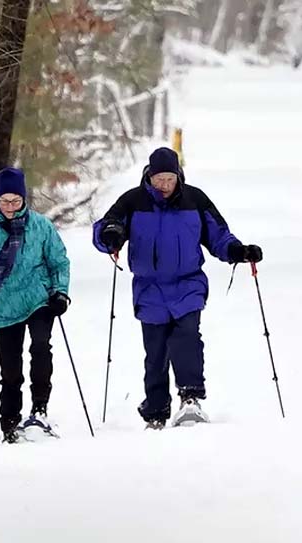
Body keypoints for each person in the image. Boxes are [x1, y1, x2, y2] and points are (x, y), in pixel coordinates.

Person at [93, 147, 263, 428]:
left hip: (188, 282)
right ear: (149, 176)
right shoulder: (133, 201)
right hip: (149, 288)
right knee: (156, 350)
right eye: (159, 179)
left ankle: (190, 398)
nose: (164, 185)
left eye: (169, 179)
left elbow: (219, 235)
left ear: (178, 177)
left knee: (187, 338)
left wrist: (238, 251)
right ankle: (156, 410)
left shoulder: (194, 200)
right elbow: (106, 227)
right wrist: (110, 235)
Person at [0, 167, 71, 443]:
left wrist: (60, 293)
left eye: (15, 201)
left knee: (41, 348)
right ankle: (9, 422)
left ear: (24, 199)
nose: (10, 207)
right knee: (10, 369)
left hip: (38, 299)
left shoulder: (41, 226)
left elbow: (59, 261)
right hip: (3, 304)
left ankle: (39, 410)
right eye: (5, 201)